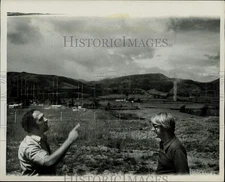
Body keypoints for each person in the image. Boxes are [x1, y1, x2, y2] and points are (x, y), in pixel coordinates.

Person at [18, 109, 80, 176]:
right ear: (32, 126)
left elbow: (53, 161)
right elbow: (48, 162)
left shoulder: (40, 139)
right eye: (41, 119)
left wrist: (69, 142)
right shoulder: (29, 145)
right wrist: (69, 140)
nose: (46, 119)